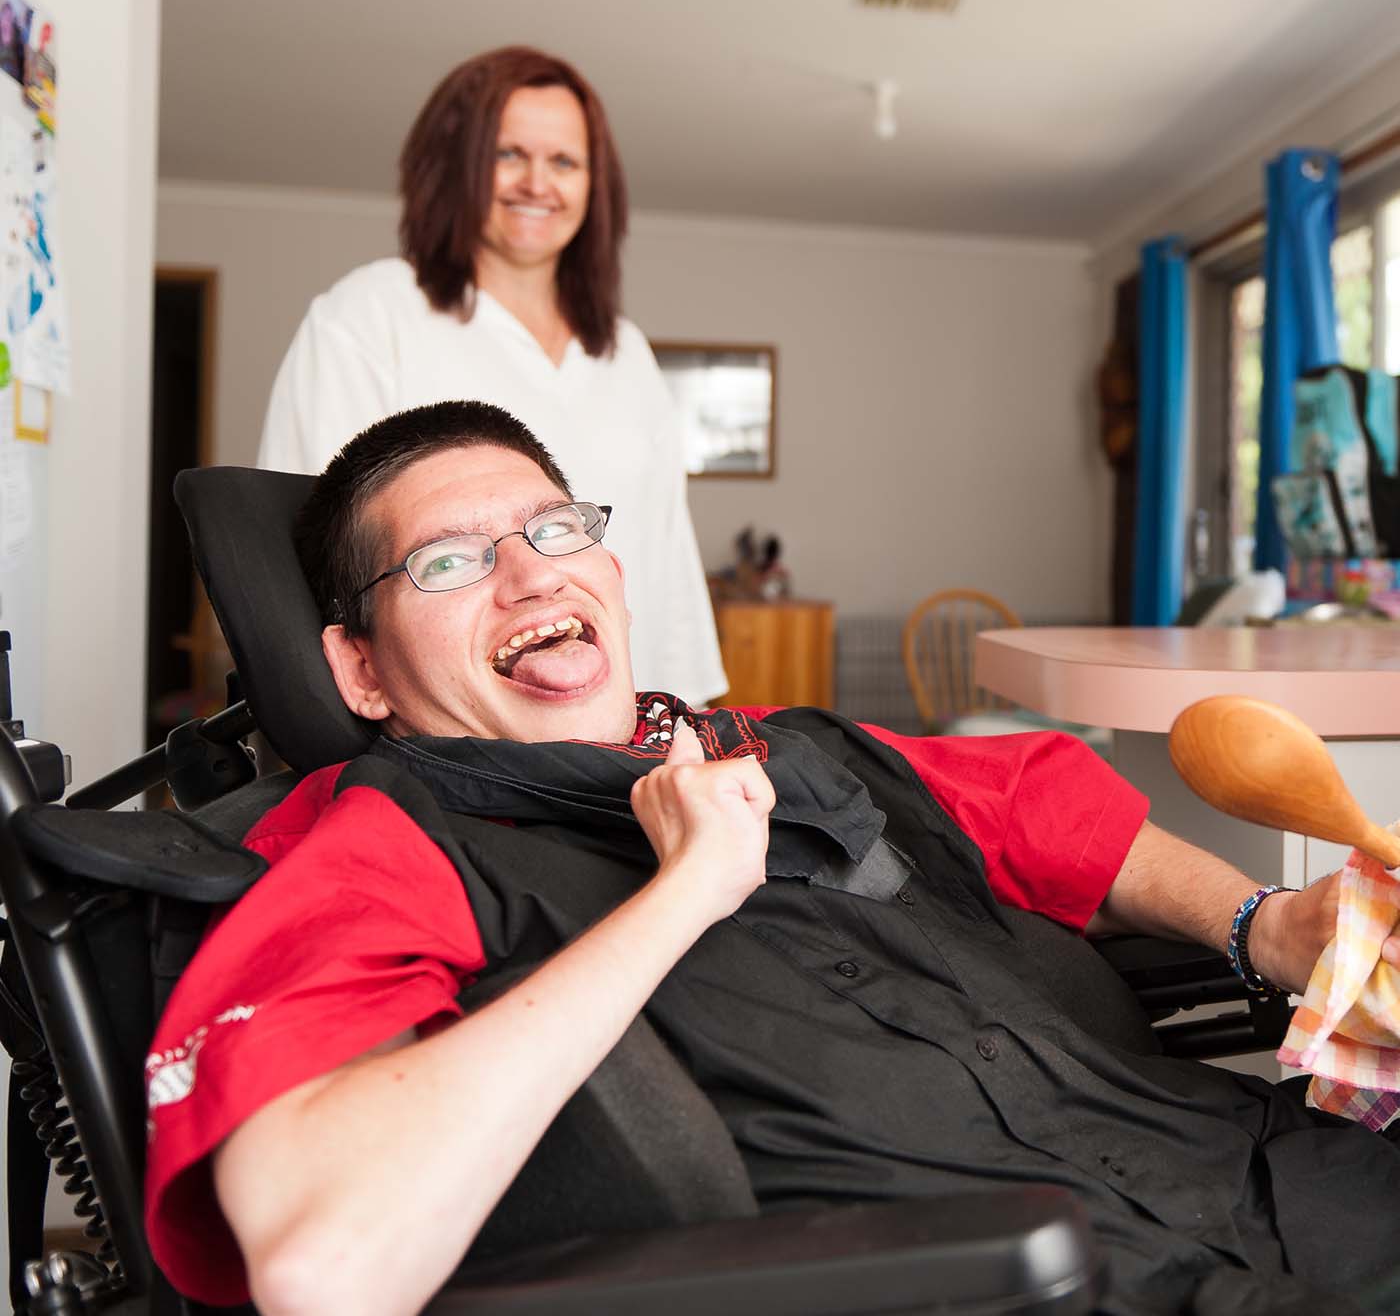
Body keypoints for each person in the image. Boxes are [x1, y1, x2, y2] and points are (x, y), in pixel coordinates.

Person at [146, 402, 1400, 1316]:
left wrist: (1267, 923)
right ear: (359, 668)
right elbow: (321, 1255)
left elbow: (1034, 800)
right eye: (450, 560)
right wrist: (685, 893)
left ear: (612, 572)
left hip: (1265, 1171)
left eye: (552, 527)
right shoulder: (384, 844)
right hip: (1022, 1274)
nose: (527, 571)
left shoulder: (773, 738)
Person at [256, 45, 725, 706]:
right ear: (458, 168)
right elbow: (305, 560)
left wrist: (685, 715)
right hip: (456, 734)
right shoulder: (370, 315)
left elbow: (667, 554)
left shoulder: (624, 350)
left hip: (626, 723)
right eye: (509, 155)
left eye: (564, 161)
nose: (538, 183)